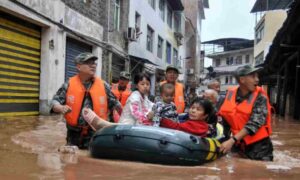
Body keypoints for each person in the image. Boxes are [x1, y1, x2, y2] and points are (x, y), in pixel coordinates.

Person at [50, 52, 122, 149]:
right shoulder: (68, 84)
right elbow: (54, 102)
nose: (93, 65)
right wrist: (60, 107)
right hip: (74, 134)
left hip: (96, 133)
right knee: (70, 161)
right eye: (88, 63)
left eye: (94, 63)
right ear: (79, 66)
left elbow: (116, 105)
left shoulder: (104, 86)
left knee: (93, 161)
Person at [218, 65, 273, 161]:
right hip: (239, 144)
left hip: (259, 146)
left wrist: (232, 140)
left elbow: (254, 124)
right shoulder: (229, 95)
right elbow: (224, 119)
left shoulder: (260, 98)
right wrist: (225, 139)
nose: (257, 80)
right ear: (242, 80)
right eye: (253, 76)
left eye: (257, 76)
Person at [82, 73, 154, 128]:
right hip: (127, 125)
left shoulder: (145, 98)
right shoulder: (135, 96)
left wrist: (154, 115)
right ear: (136, 85)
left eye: (147, 84)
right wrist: (147, 117)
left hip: (135, 124)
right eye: (142, 84)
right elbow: (135, 113)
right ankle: (99, 123)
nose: (145, 86)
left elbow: (152, 108)